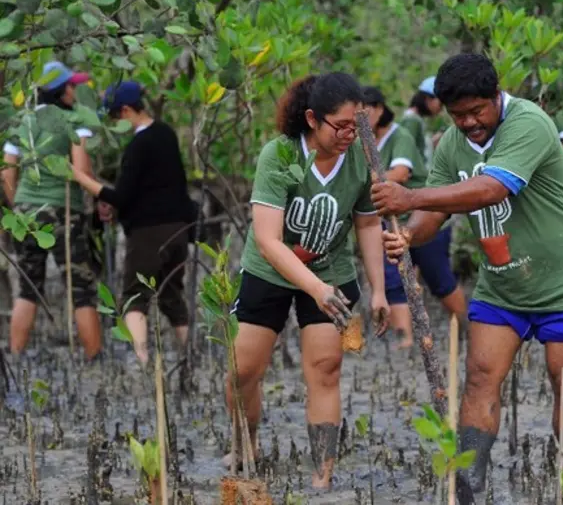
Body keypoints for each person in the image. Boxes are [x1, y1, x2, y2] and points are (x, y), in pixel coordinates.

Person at [371, 53, 563, 493]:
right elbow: (435, 213)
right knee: (480, 374)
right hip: (503, 285)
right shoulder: (450, 144)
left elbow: (491, 189)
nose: (467, 122)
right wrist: (407, 235)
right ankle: (467, 489)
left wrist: (410, 197)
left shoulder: (529, 122)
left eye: (476, 111)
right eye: (457, 114)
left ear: (496, 95)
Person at [225, 72, 390, 489]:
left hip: (332, 272)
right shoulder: (279, 155)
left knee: (326, 368)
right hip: (270, 272)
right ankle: (246, 445)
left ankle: (322, 473)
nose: (351, 135)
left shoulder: (360, 156)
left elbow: (368, 225)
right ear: (313, 119)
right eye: (342, 126)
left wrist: (380, 290)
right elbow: (267, 239)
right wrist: (313, 289)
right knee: (242, 369)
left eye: (359, 125)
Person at [69, 81, 194, 366]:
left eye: (114, 117)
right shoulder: (166, 133)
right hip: (178, 230)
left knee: (134, 297)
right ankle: (190, 356)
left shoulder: (139, 145)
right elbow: (156, 186)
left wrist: (83, 179)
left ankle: (142, 361)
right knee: (172, 295)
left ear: (126, 111)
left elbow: (123, 196)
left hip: (148, 233)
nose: (114, 124)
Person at [0, 61, 102, 359]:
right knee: (81, 289)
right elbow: (81, 169)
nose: (75, 91)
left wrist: (18, 205)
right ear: (60, 91)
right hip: (64, 211)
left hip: (26, 213)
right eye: (71, 86)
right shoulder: (72, 121)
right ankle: (94, 359)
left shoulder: (22, 122)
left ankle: (16, 354)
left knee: (28, 288)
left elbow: (8, 173)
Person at [363, 86, 467, 349]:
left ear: (377, 108)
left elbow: (400, 174)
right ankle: (405, 341)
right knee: (392, 279)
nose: (358, 119)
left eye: (363, 111)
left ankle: (466, 327)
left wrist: (361, 184)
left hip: (423, 218)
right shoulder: (367, 142)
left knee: (438, 279)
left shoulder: (401, 135)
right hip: (391, 224)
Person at [399, 76, 444, 162]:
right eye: (440, 104)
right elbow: (407, 154)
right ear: (428, 99)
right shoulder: (412, 121)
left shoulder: (416, 120)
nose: (440, 109)